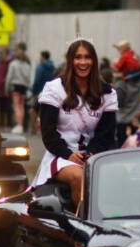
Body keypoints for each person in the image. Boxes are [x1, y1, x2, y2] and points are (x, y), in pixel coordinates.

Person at [32, 39, 118, 209]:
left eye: (87, 57)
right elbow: (48, 133)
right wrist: (69, 154)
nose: (83, 62)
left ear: (94, 61)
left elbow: (106, 134)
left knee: (120, 175)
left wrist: (91, 154)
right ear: (70, 60)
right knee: (81, 177)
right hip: (60, 156)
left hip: (94, 156)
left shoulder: (108, 93)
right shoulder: (53, 88)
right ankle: (86, 227)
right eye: (78, 57)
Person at [113, 49, 140, 148]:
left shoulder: (121, 85)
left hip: (123, 122)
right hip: (137, 121)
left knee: (123, 150)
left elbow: (118, 104)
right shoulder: (138, 83)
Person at [5, 44, 33, 134]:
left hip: (16, 87)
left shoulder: (13, 64)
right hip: (24, 87)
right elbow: (29, 78)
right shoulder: (27, 65)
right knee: (21, 107)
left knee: (16, 106)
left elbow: (9, 77)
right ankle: (20, 125)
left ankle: (19, 125)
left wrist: (6, 88)